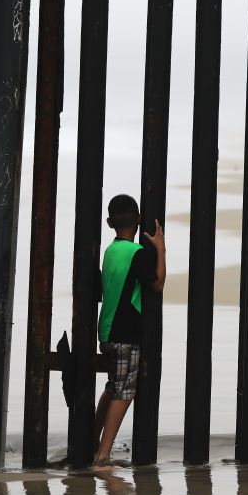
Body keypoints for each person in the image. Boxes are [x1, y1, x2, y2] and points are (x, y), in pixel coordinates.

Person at [91, 194, 166, 470]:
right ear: (138, 220)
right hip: (127, 335)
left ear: (109, 222)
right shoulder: (137, 253)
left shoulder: (110, 251)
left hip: (107, 331)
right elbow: (157, 284)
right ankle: (102, 457)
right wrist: (161, 249)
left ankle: (92, 442)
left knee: (113, 388)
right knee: (125, 392)